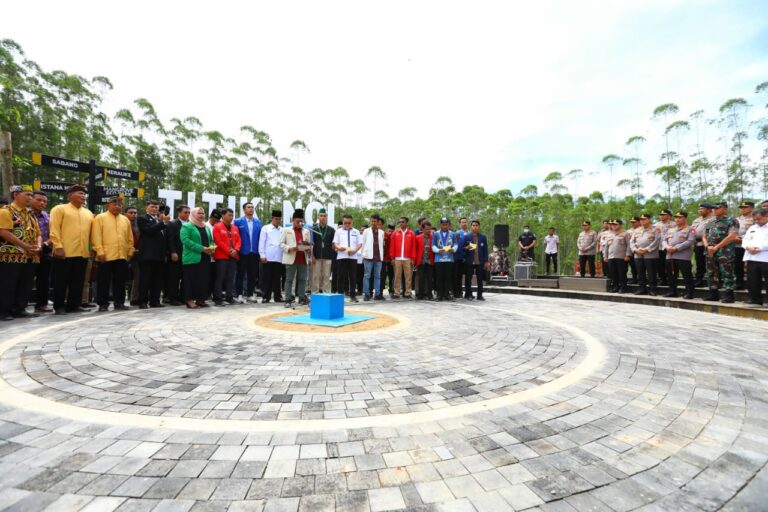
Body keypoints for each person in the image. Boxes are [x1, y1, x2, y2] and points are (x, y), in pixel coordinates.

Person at [49, 184, 94, 315]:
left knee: (78, 281)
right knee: (60, 281)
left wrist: (92, 248)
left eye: (84, 194)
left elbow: (91, 233)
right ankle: (59, 306)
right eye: (80, 193)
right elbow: (54, 229)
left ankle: (74, 305)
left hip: (82, 252)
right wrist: (58, 246)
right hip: (64, 252)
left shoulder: (88, 213)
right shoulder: (59, 209)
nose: (83, 196)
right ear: (70, 196)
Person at [0, 186, 41, 321]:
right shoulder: (6, 211)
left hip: (30, 255)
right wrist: (25, 246)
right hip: (11, 255)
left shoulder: (30, 214)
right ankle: (4, 311)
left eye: (31, 195)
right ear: (16, 194)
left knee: (25, 283)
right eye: (27, 194)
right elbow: (3, 232)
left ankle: (20, 308)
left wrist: (38, 245)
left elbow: (38, 233)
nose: (30, 198)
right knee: (8, 283)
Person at [91, 196, 134, 312]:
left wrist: (130, 251)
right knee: (103, 281)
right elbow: (96, 236)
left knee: (120, 281)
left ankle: (119, 303)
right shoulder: (100, 218)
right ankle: (103, 304)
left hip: (122, 255)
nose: (117, 207)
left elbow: (130, 237)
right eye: (114, 204)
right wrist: (99, 252)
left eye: (119, 205)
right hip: (105, 256)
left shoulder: (125, 220)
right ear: (108, 205)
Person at [702, 201, 740, 303]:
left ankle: (729, 296)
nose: (714, 210)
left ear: (725, 209)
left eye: (717, 208)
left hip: (725, 252)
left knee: (727, 273)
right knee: (711, 273)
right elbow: (704, 236)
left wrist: (716, 247)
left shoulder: (731, 220)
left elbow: (732, 236)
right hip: (710, 251)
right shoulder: (710, 221)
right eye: (713, 208)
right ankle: (713, 294)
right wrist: (707, 246)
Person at [180, 207, 215, 308]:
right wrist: (202, 248)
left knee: (203, 279)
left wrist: (212, 248)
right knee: (190, 280)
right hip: (191, 258)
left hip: (205, 257)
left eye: (203, 213)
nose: (201, 215)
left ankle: (200, 299)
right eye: (199, 213)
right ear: (193, 214)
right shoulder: (187, 226)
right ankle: (189, 300)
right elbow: (186, 241)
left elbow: (211, 240)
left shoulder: (206, 227)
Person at [137, 200, 168, 309]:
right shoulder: (142, 218)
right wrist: (162, 223)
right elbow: (149, 230)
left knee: (157, 280)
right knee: (145, 279)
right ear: (146, 208)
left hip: (159, 256)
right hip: (147, 255)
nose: (154, 209)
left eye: (156, 207)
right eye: (152, 207)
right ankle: (142, 301)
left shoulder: (159, 220)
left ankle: (155, 301)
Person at [279, 209, 311, 307]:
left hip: (303, 258)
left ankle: (301, 298)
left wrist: (308, 248)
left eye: (301, 221)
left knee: (302, 279)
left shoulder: (306, 231)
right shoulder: (286, 230)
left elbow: (308, 244)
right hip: (291, 258)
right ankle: (288, 299)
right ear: (293, 220)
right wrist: (290, 248)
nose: (300, 223)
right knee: (289, 279)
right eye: (298, 221)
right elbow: (281, 244)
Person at [662, 211, 696, 299]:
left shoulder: (690, 229)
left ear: (685, 218)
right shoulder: (670, 230)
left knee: (686, 275)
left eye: (680, 217)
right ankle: (672, 291)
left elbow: (690, 241)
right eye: (676, 217)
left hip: (683, 257)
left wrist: (676, 248)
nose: (677, 219)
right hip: (670, 256)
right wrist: (667, 247)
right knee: (671, 275)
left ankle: (689, 292)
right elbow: (664, 240)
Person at [212, 208, 242, 306]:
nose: (231, 217)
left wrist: (236, 250)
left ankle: (230, 298)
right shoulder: (217, 226)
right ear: (223, 215)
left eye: (232, 215)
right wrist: (229, 251)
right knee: (220, 278)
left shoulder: (235, 227)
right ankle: (218, 299)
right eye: (229, 215)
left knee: (230, 278)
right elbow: (218, 241)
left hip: (233, 257)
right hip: (221, 257)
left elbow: (239, 240)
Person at [234, 202, 261, 303]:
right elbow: (235, 237)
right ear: (244, 210)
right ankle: (239, 294)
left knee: (252, 275)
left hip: (254, 252)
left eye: (252, 207)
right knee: (240, 274)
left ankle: (250, 294)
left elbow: (259, 237)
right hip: (242, 252)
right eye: (248, 207)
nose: (251, 209)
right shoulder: (238, 222)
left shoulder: (258, 222)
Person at [30, 191, 52, 313]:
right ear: (31, 200)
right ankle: (18, 305)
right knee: (25, 279)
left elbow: (54, 234)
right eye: (39, 200)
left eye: (44, 201)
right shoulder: (25, 214)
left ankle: (41, 305)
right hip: (27, 252)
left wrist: (45, 244)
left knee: (44, 280)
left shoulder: (47, 216)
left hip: (44, 252)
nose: (42, 203)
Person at [742, 207, 768, 306]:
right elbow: (745, 240)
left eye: (759, 219)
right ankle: (755, 299)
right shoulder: (753, 228)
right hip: (752, 257)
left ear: (766, 216)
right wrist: (748, 247)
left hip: (765, 257)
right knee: (753, 280)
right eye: (755, 219)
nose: (757, 221)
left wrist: (759, 248)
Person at [333, 214, 362, 302]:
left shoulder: (356, 231)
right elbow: (335, 243)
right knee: (341, 276)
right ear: (343, 222)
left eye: (349, 223)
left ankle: (353, 296)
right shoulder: (338, 231)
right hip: (341, 257)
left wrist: (355, 251)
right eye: (345, 223)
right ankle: (340, 296)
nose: (347, 225)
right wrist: (339, 248)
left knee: (353, 276)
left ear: (352, 222)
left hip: (353, 257)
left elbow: (360, 244)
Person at [165, 204, 190, 306]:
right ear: (179, 213)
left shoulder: (190, 224)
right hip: (176, 254)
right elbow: (170, 239)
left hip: (187, 255)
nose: (187, 214)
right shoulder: (173, 224)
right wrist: (173, 252)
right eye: (185, 212)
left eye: (189, 212)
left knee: (185, 277)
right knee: (174, 278)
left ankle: (183, 297)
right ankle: (172, 298)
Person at [630, 214, 660, 296]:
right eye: (641, 219)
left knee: (651, 273)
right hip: (638, 254)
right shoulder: (637, 230)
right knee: (640, 273)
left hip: (650, 254)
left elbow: (657, 241)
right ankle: (642, 289)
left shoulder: (655, 229)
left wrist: (646, 249)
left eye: (644, 219)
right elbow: (632, 241)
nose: (642, 221)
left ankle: (652, 289)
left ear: (649, 220)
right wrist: (635, 249)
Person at [258, 210, 284, 303]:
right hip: (267, 257)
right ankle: (266, 296)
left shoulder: (282, 230)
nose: (278, 221)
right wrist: (262, 255)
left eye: (279, 219)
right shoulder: (266, 228)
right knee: (267, 278)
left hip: (279, 257)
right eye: (276, 219)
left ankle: (278, 297)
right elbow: (261, 242)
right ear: (272, 218)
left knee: (277, 278)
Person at [390, 216, 417, 299]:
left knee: (408, 277)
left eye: (403, 222)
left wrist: (413, 258)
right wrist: (392, 258)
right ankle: (396, 293)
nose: (401, 223)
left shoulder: (411, 233)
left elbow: (414, 247)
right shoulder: (395, 233)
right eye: (400, 222)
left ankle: (408, 293)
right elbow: (392, 246)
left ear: (407, 223)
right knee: (397, 277)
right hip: (397, 258)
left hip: (408, 259)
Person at [432, 217, 458, 301]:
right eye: (443, 224)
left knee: (448, 277)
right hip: (439, 259)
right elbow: (433, 245)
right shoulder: (436, 234)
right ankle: (439, 295)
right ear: (440, 225)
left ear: (448, 225)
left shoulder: (452, 234)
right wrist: (437, 250)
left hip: (449, 259)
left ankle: (447, 294)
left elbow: (456, 244)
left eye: (446, 224)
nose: (445, 226)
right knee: (439, 277)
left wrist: (453, 249)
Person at [310, 208, 335, 294]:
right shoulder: (314, 229)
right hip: (316, 256)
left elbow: (333, 244)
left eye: (324, 216)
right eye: (321, 216)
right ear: (318, 217)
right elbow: (311, 244)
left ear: (327, 217)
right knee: (316, 276)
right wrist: (312, 256)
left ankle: (326, 293)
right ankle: (315, 293)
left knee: (327, 276)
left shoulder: (331, 230)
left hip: (328, 256)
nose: (323, 218)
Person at [361, 213, 385, 301]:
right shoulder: (366, 231)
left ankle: (377, 294)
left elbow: (382, 245)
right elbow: (363, 244)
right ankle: (367, 294)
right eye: (372, 221)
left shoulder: (381, 232)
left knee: (377, 276)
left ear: (378, 222)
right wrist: (363, 255)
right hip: (368, 257)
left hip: (378, 258)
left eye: (375, 221)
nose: (373, 223)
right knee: (367, 276)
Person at [464, 220, 489, 300]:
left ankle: (479, 295)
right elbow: (463, 248)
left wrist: (486, 261)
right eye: (473, 225)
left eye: (476, 225)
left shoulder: (483, 237)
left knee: (480, 278)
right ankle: (468, 294)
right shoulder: (467, 236)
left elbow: (485, 249)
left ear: (479, 226)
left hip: (480, 261)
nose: (475, 227)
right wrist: (467, 248)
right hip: (470, 261)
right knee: (468, 278)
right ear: (471, 226)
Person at [605, 220, 631, 293]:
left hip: (621, 257)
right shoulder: (609, 235)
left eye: (616, 224)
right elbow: (606, 247)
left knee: (621, 273)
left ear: (620, 225)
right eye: (612, 224)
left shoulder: (625, 234)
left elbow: (629, 245)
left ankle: (623, 287)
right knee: (613, 273)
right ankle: (615, 287)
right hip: (611, 257)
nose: (613, 226)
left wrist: (627, 255)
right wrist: (605, 256)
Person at [691, 203, 714, 287]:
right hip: (698, 244)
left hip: (710, 244)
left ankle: (713, 282)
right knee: (699, 263)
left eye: (702, 209)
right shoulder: (696, 220)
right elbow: (692, 230)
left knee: (712, 264)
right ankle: (699, 280)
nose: (700, 210)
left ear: (709, 209)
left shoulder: (713, 219)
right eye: (699, 209)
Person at [734, 201, 755, 290]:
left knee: (751, 266)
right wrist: (734, 237)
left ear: (751, 208)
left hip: (750, 245)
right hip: (737, 245)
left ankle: (752, 284)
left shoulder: (755, 219)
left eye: (745, 207)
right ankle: (739, 283)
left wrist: (743, 239)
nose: (742, 209)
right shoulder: (736, 219)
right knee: (738, 265)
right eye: (741, 208)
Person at [125, 206, 141, 305]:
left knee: (137, 277)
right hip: (124, 253)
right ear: (125, 214)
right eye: (131, 213)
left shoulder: (138, 225)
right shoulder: (122, 223)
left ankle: (135, 298)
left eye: (135, 213)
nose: (133, 214)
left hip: (137, 254)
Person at [415, 221, 434, 300]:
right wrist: (415, 261)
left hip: (430, 261)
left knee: (430, 278)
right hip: (421, 261)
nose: (428, 231)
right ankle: (420, 294)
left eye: (429, 229)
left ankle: (430, 294)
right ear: (422, 229)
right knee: (421, 278)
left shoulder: (433, 237)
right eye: (426, 229)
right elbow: (416, 249)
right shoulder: (417, 237)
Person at [655, 209, 675, 285]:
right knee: (660, 265)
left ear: (669, 216)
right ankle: (663, 279)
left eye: (663, 215)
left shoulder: (674, 224)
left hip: (669, 248)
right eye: (661, 215)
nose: (661, 216)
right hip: (659, 247)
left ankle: (671, 280)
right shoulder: (656, 224)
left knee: (670, 265)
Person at [453, 217, 469, 299]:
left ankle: (466, 292)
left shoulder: (469, 233)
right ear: (459, 224)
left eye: (465, 222)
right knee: (457, 276)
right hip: (458, 258)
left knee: (465, 276)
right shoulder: (457, 233)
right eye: (462, 222)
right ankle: (457, 292)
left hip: (467, 258)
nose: (464, 223)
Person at [381, 223, 395, 297]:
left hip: (392, 260)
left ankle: (391, 290)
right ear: (386, 230)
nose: (390, 233)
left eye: (392, 231)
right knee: (382, 276)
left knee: (391, 276)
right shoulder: (383, 236)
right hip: (383, 260)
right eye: (389, 231)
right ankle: (380, 291)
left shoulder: (394, 237)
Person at [627, 216, 641, 284]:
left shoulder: (642, 229)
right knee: (633, 266)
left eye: (634, 222)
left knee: (640, 267)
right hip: (631, 251)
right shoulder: (628, 231)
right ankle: (634, 279)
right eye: (631, 222)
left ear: (639, 222)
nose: (632, 223)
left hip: (640, 251)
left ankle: (641, 280)